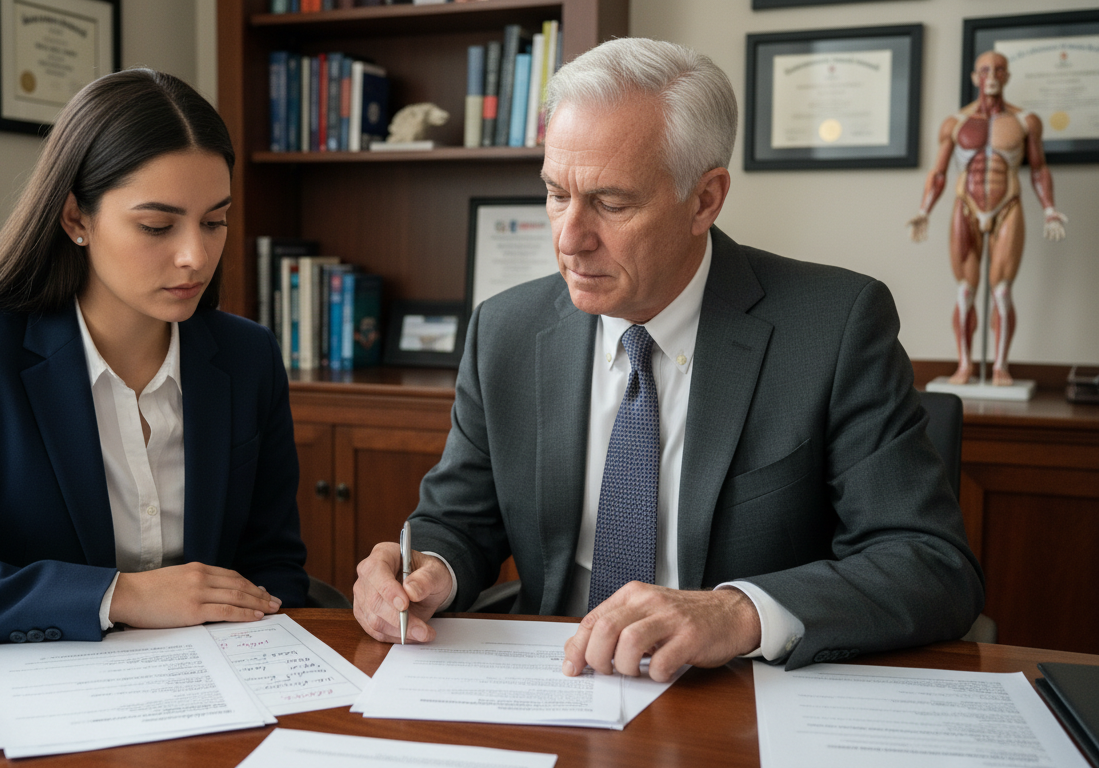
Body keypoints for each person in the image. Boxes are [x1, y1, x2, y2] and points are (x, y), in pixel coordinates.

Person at [352, 39, 984, 681]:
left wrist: (737, 613)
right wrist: (426, 570)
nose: (569, 239)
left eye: (611, 203)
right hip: (552, 684)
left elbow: (929, 562)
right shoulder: (506, 329)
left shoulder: (834, 326)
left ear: (705, 199)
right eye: (555, 194)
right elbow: (459, 519)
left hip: (742, 695)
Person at [0, 69, 307, 648]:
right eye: (157, 225)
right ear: (77, 218)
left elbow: (274, 569)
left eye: (215, 221)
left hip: (216, 693)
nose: (194, 256)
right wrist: (119, 594)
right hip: (33, 700)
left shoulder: (248, 357)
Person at [907, 51, 1068, 386]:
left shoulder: (1026, 121)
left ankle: (999, 367)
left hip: (1007, 203)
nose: (991, 75)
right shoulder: (955, 123)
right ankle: (965, 365)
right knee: (965, 291)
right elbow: (938, 172)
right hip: (966, 205)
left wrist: (1050, 208)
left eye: (998, 70)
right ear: (974, 77)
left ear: (1007, 76)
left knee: (1002, 292)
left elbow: (1038, 169)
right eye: (984, 70)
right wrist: (924, 210)